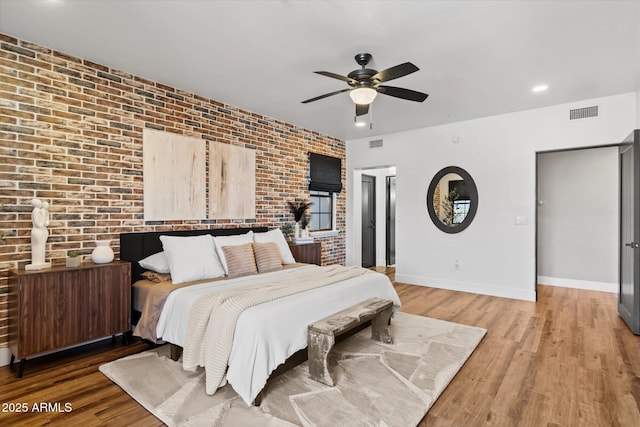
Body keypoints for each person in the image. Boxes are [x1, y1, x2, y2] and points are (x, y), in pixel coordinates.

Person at [29, 198, 50, 268]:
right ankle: (37, 262)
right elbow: (37, 223)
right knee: (37, 246)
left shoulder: (42, 211)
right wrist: (43, 217)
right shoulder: (36, 210)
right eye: (38, 201)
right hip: (37, 230)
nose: (40, 202)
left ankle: (41, 261)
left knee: (42, 246)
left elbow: (46, 222)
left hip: (42, 230)